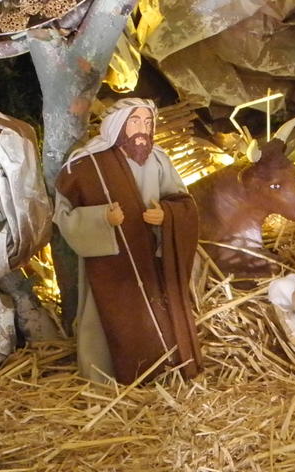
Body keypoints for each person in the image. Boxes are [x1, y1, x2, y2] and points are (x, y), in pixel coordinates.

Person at [53, 98, 201, 384]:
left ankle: (162, 369)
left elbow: (183, 201)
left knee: (158, 316)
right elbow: (63, 214)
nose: (142, 128)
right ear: (118, 124)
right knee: (104, 321)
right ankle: (105, 375)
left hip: (152, 259)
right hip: (110, 264)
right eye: (135, 121)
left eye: (148, 122)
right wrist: (101, 219)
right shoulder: (86, 164)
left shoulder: (158, 159)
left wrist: (167, 215)